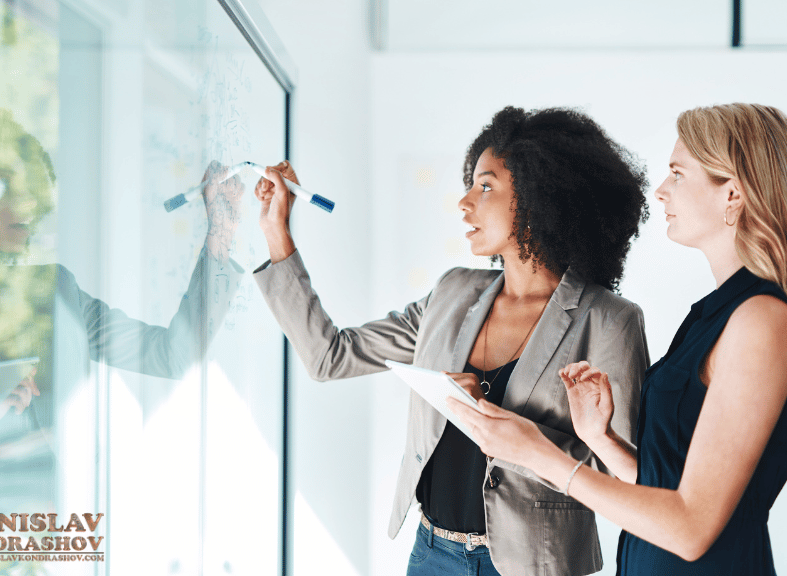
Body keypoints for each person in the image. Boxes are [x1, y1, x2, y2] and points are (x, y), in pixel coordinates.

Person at [450, 103, 787, 575]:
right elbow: (668, 488)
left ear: (731, 194)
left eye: (678, 174)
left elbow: (689, 530)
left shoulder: (763, 323)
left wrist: (538, 453)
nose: (661, 190)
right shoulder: (715, 314)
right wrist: (599, 439)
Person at [252, 106, 650, 576]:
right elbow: (329, 356)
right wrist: (277, 231)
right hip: (430, 555)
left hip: (533, 566)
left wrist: (489, 415)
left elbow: (626, 480)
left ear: (543, 195)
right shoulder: (453, 292)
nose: (465, 202)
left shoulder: (608, 321)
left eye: (486, 186)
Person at [0, 105, 246, 512]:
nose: (26, 208)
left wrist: (221, 233)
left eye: (35, 194)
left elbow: (175, 354)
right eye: (9, 187)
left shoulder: (55, 294)